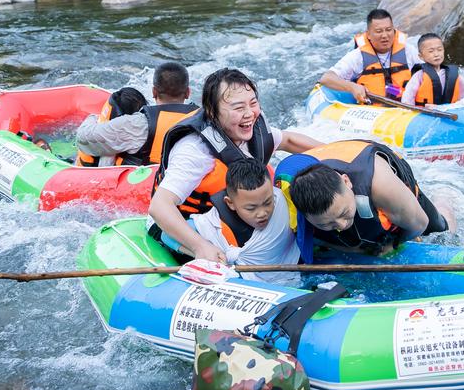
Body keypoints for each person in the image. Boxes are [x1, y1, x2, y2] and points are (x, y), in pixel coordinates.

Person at [147, 67, 321, 262]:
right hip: (188, 224)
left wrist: (337, 154)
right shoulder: (195, 150)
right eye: (239, 108)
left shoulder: (251, 128)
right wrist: (200, 246)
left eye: (253, 103)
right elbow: (159, 207)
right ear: (213, 112)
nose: (249, 114)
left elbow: (288, 140)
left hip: (238, 211)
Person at [284, 139, 456, 255]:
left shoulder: (381, 187)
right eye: (326, 224)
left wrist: (394, 243)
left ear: (347, 182)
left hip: (377, 170)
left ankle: (444, 196)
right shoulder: (290, 203)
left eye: (344, 213)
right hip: (328, 158)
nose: (342, 225)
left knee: (442, 233)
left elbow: (420, 223)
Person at [160, 159, 300, 282]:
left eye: (268, 202)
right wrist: (202, 249)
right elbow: (166, 235)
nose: (262, 213)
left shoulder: (285, 203)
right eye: (251, 208)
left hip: (292, 278)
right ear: (230, 203)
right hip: (240, 282)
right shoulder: (214, 223)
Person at [75, 63, 198, 166]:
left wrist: (95, 118)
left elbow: (84, 138)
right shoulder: (205, 119)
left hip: (144, 187)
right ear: (188, 92)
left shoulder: (137, 123)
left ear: (154, 92)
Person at [319, 9, 421, 103]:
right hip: (372, 111)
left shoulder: (409, 51)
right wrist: (352, 87)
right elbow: (326, 78)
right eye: (379, 31)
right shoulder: (358, 56)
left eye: (388, 30)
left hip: (405, 107)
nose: (385, 35)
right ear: (368, 34)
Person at [401, 33, 464, 106]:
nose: (436, 54)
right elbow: (407, 99)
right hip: (424, 114)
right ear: (421, 56)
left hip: (449, 112)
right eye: (431, 51)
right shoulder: (419, 76)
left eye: (439, 50)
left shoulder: (453, 75)